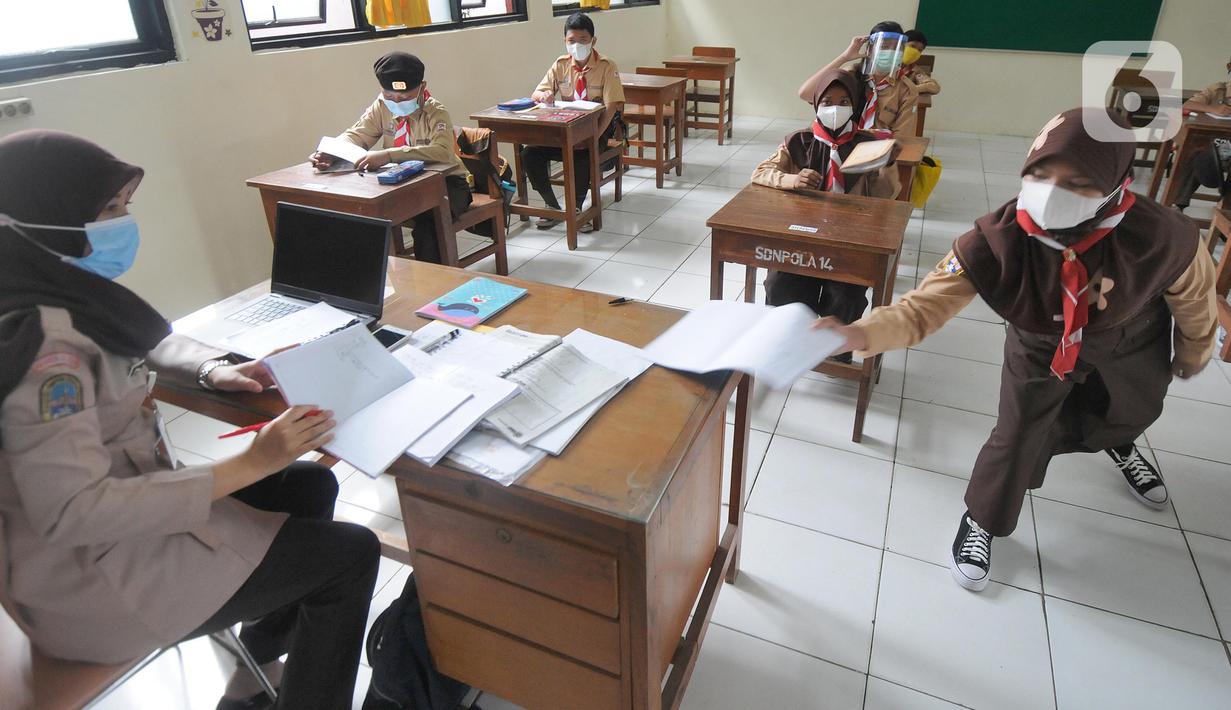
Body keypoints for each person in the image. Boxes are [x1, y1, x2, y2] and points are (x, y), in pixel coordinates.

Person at [0, 130, 381, 710]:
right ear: (46, 219)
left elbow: (142, 342)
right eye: (108, 209)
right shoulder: (47, 357)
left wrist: (212, 368)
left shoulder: (44, 286)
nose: (123, 222)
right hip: (93, 586)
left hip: (114, 542)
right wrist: (253, 460)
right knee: (350, 555)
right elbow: (75, 513)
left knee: (311, 482)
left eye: (124, 206)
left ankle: (256, 666)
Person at [815, 108, 1218, 592]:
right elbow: (922, 308)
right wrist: (857, 334)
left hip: (1131, 338)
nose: (1052, 191)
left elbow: (1195, 299)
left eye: (1078, 181)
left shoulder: (1162, 236)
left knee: (1128, 407)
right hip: (1039, 345)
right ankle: (983, 519)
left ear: (1116, 182)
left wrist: (1194, 352)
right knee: (1019, 433)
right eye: (1041, 173)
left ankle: (1120, 443)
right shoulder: (998, 239)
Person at [752, 69, 900, 352]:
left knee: (846, 294)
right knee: (781, 283)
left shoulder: (870, 145)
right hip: (802, 235)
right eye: (828, 101)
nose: (835, 108)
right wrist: (791, 179)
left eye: (845, 102)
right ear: (816, 104)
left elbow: (885, 197)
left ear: (855, 105)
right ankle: (788, 343)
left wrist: (887, 166)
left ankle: (834, 352)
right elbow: (761, 172)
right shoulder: (798, 140)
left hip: (849, 237)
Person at [310, 52, 472, 263]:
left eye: (405, 97)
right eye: (390, 96)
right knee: (360, 216)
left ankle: (434, 286)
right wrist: (333, 151)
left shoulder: (435, 112)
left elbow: (442, 151)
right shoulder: (381, 106)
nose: (397, 101)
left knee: (429, 224)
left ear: (422, 87)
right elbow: (357, 135)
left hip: (447, 184)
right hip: (401, 185)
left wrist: (389, 155)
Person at [523, 11, 625, 232]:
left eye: (583, 40)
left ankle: (577, 210)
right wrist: (545, 96)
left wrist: (594, 135)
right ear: (565, 42)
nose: (577, 45)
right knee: (529, 153)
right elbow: (537, 93)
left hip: (597, 128)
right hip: (567, 129)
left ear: (593, 41)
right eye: (571, 41)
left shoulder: (607, 66)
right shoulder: (560, 65)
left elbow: (612, 107)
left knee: (581, 151)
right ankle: (552, 206)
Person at [798, 21, 919, 135]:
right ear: (870, 49)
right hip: (839, 144)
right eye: (884, 46)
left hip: (878, 149)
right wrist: (844, 57)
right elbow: (806, 93)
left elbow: (901, 136)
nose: (891, 52)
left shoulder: (907, 90)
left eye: (897, 48)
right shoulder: (851, 74)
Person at [1172, 55, 1231, 212]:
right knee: (1196, 153)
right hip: (1209, 144)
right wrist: (1213, 109)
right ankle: (1179, 204)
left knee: (1204, 155)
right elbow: (1187, 104)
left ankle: (1226, 210)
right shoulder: (1218, 89)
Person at [901, 29, 940, 95]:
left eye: (920, 50)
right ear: (901, 44)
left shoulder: (914, 70)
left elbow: (934, 87)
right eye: (912, 46)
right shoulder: (885, 63)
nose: (915, 52)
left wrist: (912, 89)